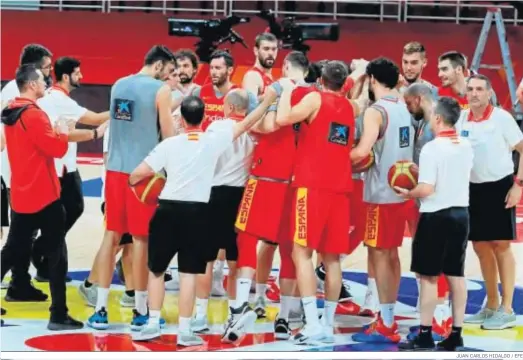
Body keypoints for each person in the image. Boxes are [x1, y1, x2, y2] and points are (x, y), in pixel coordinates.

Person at [130, 94, 274, 345]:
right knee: (188, 274)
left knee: (156, 271)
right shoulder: (212, 141)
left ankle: (152, 324)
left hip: (167, 210)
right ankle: (186, 331)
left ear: (182, 120)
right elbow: (245, 123)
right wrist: (268, 100)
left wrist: (150, 185)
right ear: (204, 117)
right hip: (198, 213)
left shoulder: (169, 145)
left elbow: (136, 176)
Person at [275, 60, 367, 344]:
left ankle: (311, 325)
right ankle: (327, 323)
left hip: (311, 187)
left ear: (321, 81)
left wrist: (287, 91)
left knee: (300, 254)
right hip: (341, 189)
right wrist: (360, 75)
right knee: (331, 259)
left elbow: (282, 119)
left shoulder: (314, 98)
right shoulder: (352, 107)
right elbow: (359, 98)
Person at [225, 51, 312, 342]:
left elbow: (266, 125)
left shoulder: (277, 89)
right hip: (297, 183)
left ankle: (241, 307)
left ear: (286, 67)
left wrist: (266, 101)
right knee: (290, 248)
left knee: (248, 239)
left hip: (265, 179)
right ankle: (285, 318)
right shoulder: (316, 97)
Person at [87, 45, 176, 331]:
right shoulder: (161, 91)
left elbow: (119, 126)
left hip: (114, 171)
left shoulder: (118, 85)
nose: (169, 77)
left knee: (110, 236)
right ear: (160, 65)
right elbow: (168, 137)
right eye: (170, 71)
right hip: (143, 175)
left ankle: (100, 309)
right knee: (140, 241)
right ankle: (140, 310)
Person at [0, 64, 83, 330]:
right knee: (57, 254)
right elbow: (56, 149)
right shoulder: (35, 115)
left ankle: (58, 312)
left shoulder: (11, 110)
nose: (46, 81)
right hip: (45, 195)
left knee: (12, 251)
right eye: (42, 79)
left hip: (22, 193)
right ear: (32, 85)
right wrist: (61, 129)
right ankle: (58, 314)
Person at [397, 96, 473, 351]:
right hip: (461, 215)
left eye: (432, 116)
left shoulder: (432, 148)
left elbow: (427, 189)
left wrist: (407, 192)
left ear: (438, 119)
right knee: (456, 276)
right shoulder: (465, 144)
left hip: (435, 217)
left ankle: (426, 334)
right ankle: (456, 334)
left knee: (429, 278)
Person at [351, 57, 414, 344]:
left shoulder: (375, 112)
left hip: (380, 195)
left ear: (373, 80)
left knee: (379, 256)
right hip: (402, 193)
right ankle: (388, 316)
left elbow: (363, 151)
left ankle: (386, 322)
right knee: (391, 255)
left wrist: (333, 159)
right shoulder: (402, 106)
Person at [31, 56, 109, 282]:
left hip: (65, 166)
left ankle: (44, 256)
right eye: (78, 73)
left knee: (70, 211)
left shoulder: (59, 98)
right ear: (66, 76)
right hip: (60, 168)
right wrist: (121, 109)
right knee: (69, 211)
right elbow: (94, 119)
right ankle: (40, 252)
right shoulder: (58, 98)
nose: (82, 76)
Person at [457, 74, 522, 330]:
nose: (474, 93)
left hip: (500, 188)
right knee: (481, 247)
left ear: (489, 92)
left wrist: (518, 185)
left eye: (480, 89)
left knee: (501, 246)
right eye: (471, 89)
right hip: (472, 190)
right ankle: (491, 304)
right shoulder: (462, 118)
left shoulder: (502, 118)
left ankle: (507, 308)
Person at [191, 86, 257, 333]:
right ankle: (234, 312)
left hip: (214, 193)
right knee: (235, 260)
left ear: (228, 107)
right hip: (241, 196)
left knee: (205, 258)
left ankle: (200, 315)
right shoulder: (255, 131)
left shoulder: (217, 127)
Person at [1, 43, 53, 301]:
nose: (48, 74)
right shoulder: (17, 95)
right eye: (45, 69)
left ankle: (19, 282)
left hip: (18, 173)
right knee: (17, 238)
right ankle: (19, 281)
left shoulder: (14, 91)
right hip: (19, 174)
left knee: (22, 235)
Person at [241, 32, 281, 307]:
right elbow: (254, 122)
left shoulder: (274, 81)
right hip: (252, 163)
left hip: (270, 161)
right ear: (256, 50)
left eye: (273, 49)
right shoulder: (253, 78)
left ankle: (259, 287)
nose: (270, 53)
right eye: (265, 48)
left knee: (271, 236)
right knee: (246, 230)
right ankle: (235, 282)